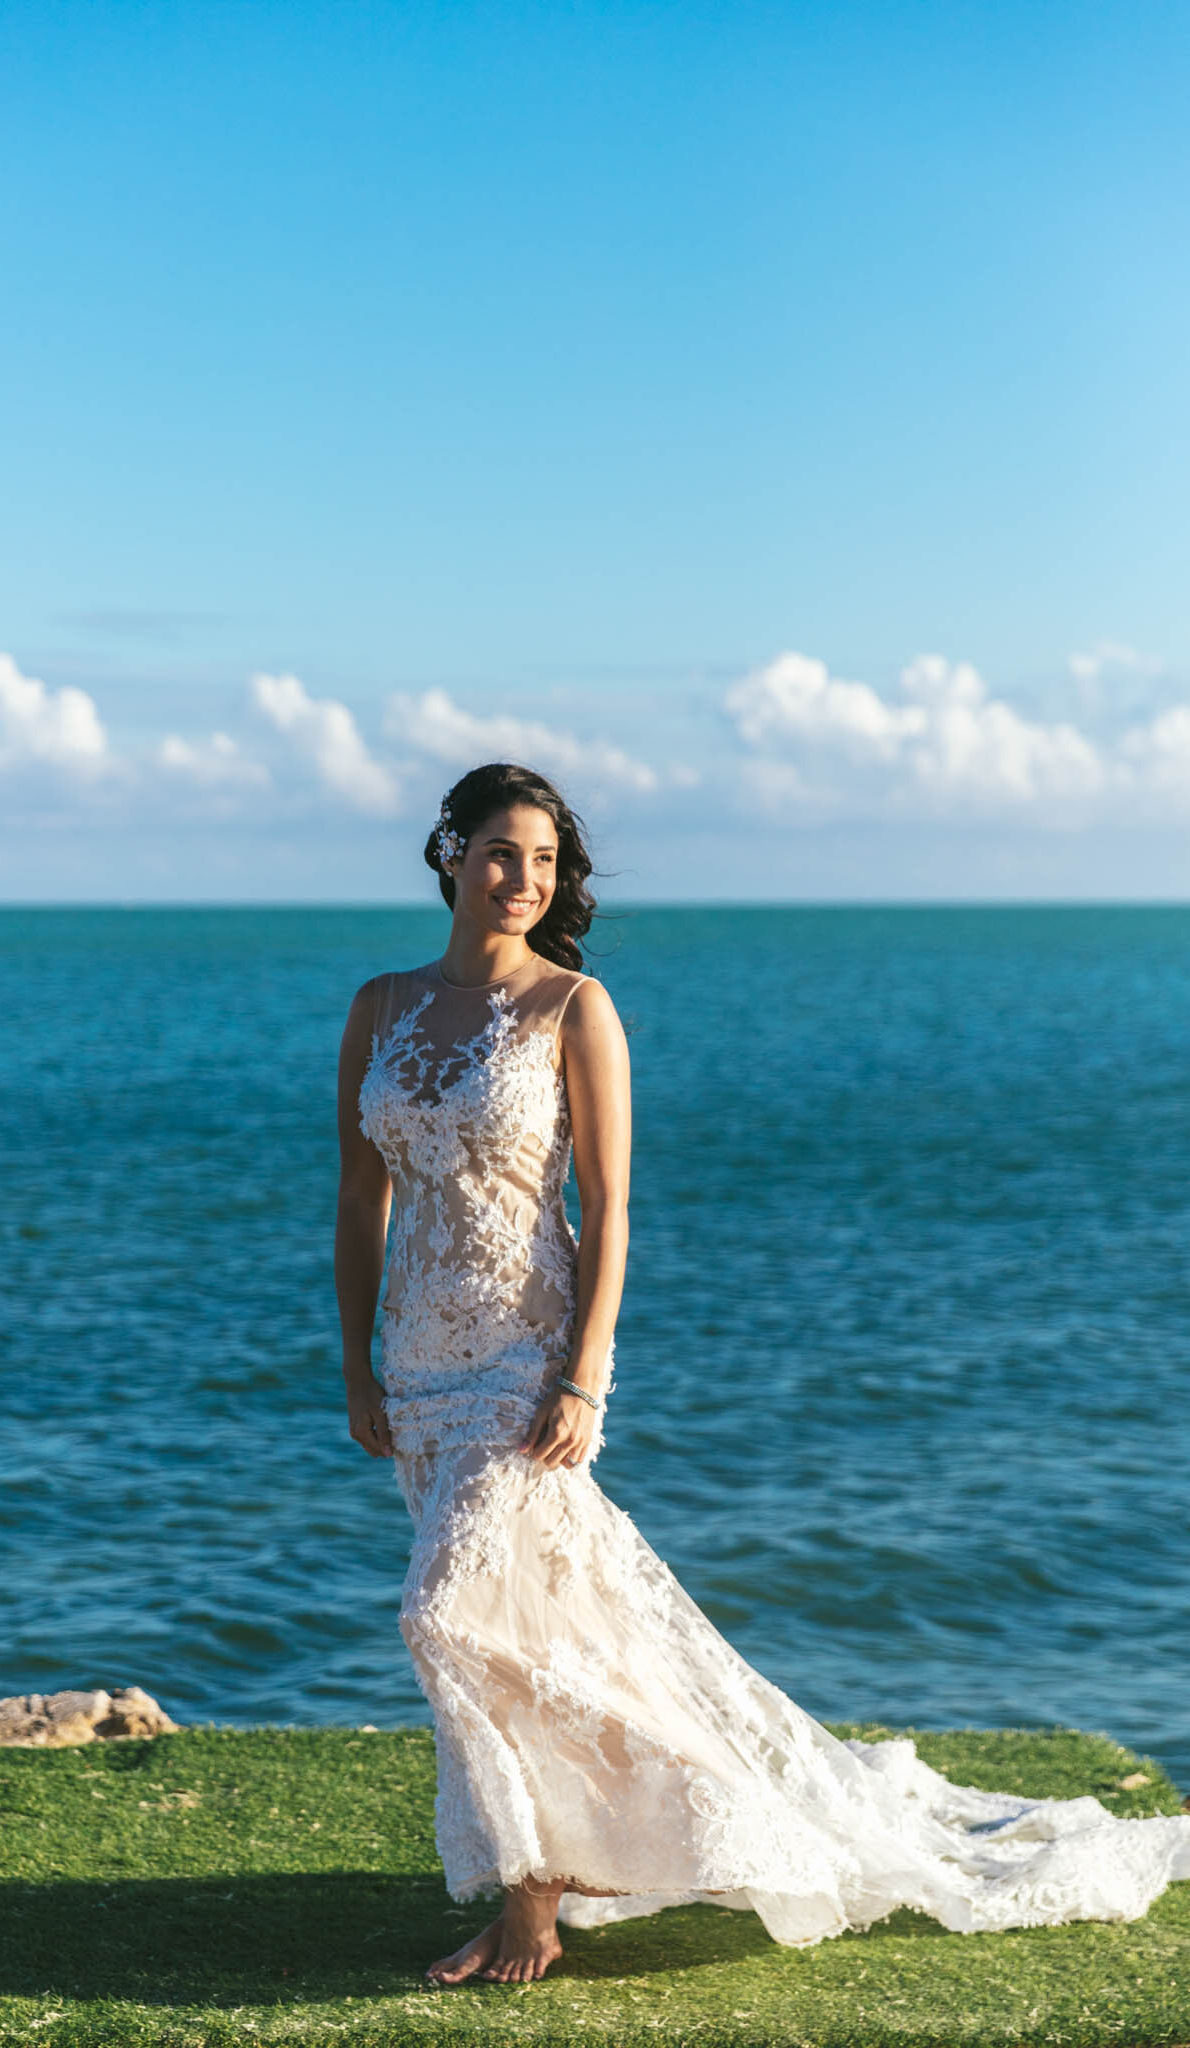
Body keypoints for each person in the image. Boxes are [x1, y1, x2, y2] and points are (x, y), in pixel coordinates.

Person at [334, 759, 1190, 1989]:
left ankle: (528, 1901)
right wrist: (354, 1358)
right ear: (450, 851)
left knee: (447, 1613)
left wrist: (585, 1378)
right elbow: (358, 1200)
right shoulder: (379, 1007)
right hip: (415, 1363)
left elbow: (614, 1206)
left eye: (545, 859)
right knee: (533, 1625)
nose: (524, 878)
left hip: (523, 1363)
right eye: (500, 851)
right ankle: (576, 1858)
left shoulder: (575, 1006)